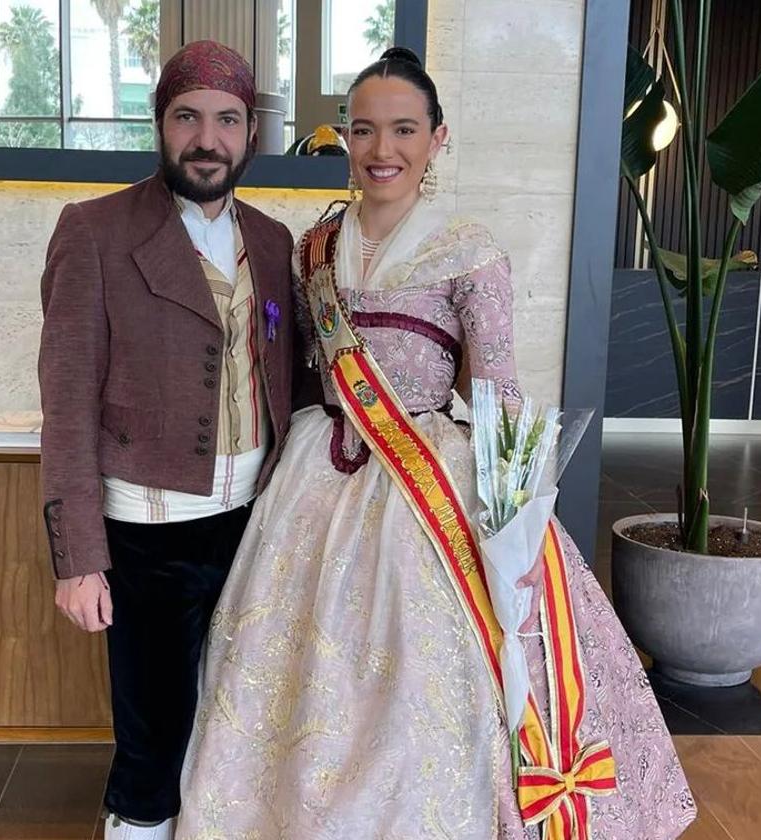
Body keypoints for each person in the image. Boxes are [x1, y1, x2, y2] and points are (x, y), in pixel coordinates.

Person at [177, 48, 696, 839]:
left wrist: (517, 519)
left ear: (437, 138)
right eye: (364, 130)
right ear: (344, 139)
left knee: (427, 673)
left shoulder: (470, 249)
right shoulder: (310, 248)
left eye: (404, 130)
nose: (382, 150)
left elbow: (496, 395)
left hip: (427, 482)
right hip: (316, 476)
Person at [37, 40, 303, 840]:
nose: (207, 138)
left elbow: (293, 380)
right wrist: (80, 555)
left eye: (227, 120)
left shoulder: (273, 241)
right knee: (153, 742)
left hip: (255, 521)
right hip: (147, 533)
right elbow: (66, 402)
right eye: (187, 117)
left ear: (251, 135)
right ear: (160, 126)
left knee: (236, 725)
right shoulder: (94, 231)